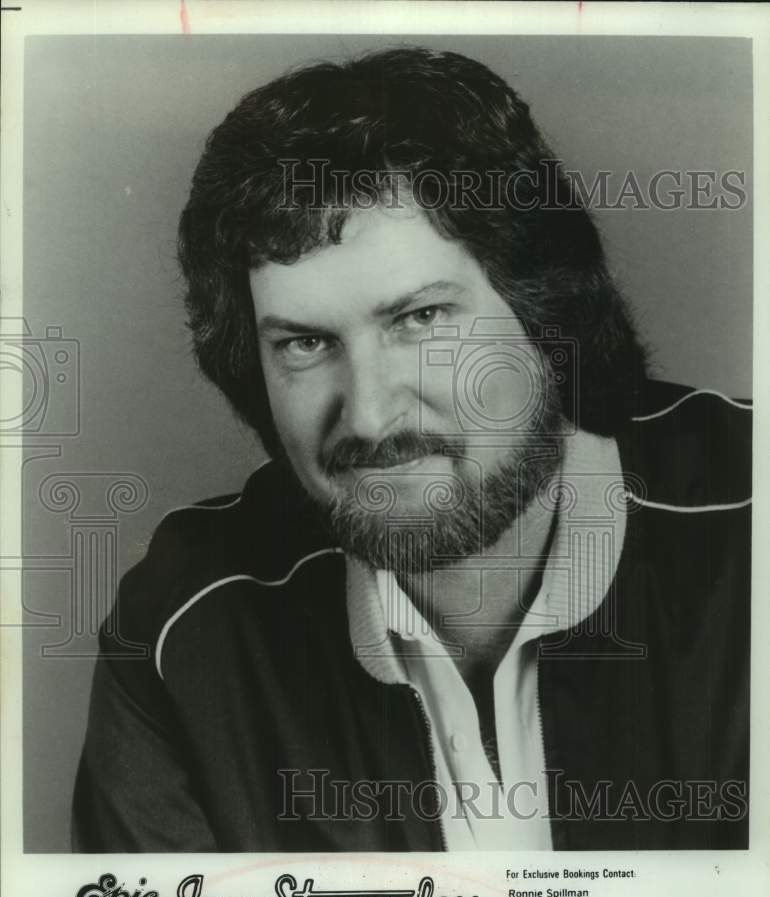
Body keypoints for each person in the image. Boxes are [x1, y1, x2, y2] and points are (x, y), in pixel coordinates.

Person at [72, 46, 751, 852]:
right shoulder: (181, 633)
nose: (368, 413)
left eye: (422, 319)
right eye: (303, 343)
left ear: (548, 315)